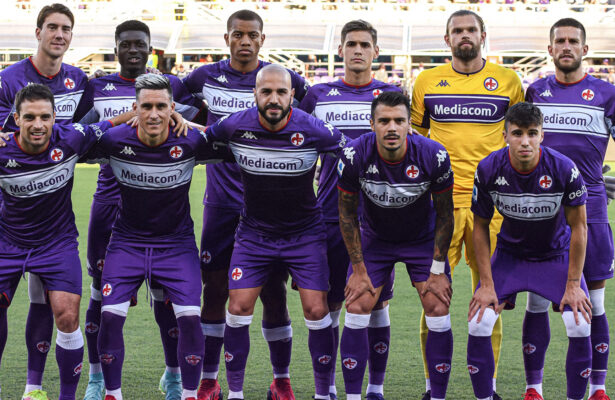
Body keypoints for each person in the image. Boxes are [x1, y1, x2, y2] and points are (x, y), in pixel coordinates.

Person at [73, 19, 204, 400]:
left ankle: (174, 376)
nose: (133, 50)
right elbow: (78, 133)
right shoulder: (96, 86)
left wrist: (184, 119)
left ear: (151, 49)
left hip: (166, 208)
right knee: (100, 296)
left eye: (140, 44)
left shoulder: (172, 84)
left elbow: (203, 122)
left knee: (168, 299)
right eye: (126, 44)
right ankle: (98, 379)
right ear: (116, 48)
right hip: (111, 202)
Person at [182, 9, 309, 399]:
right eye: (238, 34)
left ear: (262, 40)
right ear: (227, 39)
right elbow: (173, 103)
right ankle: (208, 380)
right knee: (215, 289)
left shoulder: (283, 79)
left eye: (252, 35)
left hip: (270, 206)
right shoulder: (203, 78)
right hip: (221, 202)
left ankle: (281, 380)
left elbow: (305, 118)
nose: (245, 41)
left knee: (273, 290)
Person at [204, 64, 345, 400]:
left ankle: (321, 393)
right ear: (255, 94)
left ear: (292, 95)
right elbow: (199, 140)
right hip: (254, 234)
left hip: (305, 235)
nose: (273, 99)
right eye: (266, 91)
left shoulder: (313, 128)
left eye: (281, 92)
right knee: (238, 307)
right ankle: (235, 394)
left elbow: (354, 152)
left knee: (317, 310)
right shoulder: (234, 125)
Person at [86, 74, 228, 400]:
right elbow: (68, 140)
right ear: (134, 108)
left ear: (172, 108)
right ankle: (112, 393)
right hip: (127, 243)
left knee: (190, 319)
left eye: (161, 107)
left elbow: (232, 139)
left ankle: (188, 393)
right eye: (146, 107)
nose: (153, 114)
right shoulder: (114, 141)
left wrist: (193, 125)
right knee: (110, 317)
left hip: (176, 245)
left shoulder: (190, 140)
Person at [410, 10, 524, 399]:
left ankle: (487, 388)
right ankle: (433, 387)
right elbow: (416, 139)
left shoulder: (508, 81)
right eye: (457, 30)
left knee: (489, 296)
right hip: (440, 205)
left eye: (470, 30)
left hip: (491, 207)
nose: (464, 35)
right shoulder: (426, 81)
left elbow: (520, 137)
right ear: (447, 39)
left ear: (483, 35)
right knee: (433, 297)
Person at [0, 84, 132, 400]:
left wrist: (147, 111)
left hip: (56, 243)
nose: (38, 124)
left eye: (45, 117)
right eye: (29, 117)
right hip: (9, 242)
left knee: (68, 315)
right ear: (16, 119)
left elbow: (110, 123)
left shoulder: (71, 137)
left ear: (54, 117)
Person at [298, 19, 400, 400]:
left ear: (376, 51)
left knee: (376, 302)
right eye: (351, 44)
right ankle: (326, 388)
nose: (358, 50)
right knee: (328, 302)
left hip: (378, 219)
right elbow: (300, 148)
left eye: (365, 45)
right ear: (340, 50)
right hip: (328, 214)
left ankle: (375, 388)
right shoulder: (318, 95)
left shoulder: (392, 95)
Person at [468, 102, 592, 400]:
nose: (525, 141)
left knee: (578, 325)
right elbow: (480, 227)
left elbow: (579, 227)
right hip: (510, 255)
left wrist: (573, 284)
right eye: (517, 133)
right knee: (479, 323)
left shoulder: (564, 168)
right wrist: (486, 284)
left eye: (532, 133)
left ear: (542, 135)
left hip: (555, 254)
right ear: (505, 135)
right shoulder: (488, 168)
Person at [336, 91, 454, 400]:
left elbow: (445, 215)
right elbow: (346, 214)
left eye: (399, 120)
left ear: (409, 125)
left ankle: (437, 396)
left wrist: (438, 270)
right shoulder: (354, 155)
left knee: (437, 305)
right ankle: (358, 396)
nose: (392, 127)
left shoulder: (434, 155)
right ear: (371, 124)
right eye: (384, 121)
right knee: (358, 302)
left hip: (421, 240)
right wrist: (358, 270)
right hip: (376, 239)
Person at [0, 4, 89, 398]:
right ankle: (31, 386)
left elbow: (90, 127)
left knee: (54, 303)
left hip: (54, 215)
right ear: (38, 32)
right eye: (52, 27)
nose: (59, 35)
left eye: (66, 28)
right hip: (12, 210)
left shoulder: (78, 79)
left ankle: (34, 387)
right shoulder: (8, 80)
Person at [525, 18, 615, 400]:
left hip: (591, 208)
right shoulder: (535, 91)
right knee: (536, 299)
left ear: (584, 49)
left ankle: (597, 388)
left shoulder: (607, 94)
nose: (566, 46)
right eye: (559, 41)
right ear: (549, 50)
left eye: (572, 41)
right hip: (542, 210)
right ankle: (533, 388)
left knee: (594, 302)